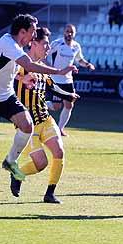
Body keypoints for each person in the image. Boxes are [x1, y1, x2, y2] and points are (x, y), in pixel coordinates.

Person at [0, 14, 76, 192]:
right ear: (22, 32)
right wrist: (59, 70)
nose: (35, 35)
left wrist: (23, 77)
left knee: (27, 125)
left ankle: (10, 161)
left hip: (6, 96)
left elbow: (7, 67)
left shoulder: (15, 47)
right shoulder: (8, 44)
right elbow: (29, 65)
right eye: (33, 31)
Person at [10, 27, 79, 204]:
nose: (48, 48)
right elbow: (6, 76)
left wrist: (67, 95)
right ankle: (17, 175)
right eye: (45, 44)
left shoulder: (42, 67)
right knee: (41, 163)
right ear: (33, 43)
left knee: (59, 152)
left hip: (45, 118)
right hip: (27, 123)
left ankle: (50, 193)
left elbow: (51, 86)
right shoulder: (20, 64)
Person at [48, 23, 95, 136]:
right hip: (56, 79)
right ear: (64, 32)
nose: (69, 34)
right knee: (56, 106)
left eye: (71, 32)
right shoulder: (56, 43)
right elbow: (45, 54)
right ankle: (35, 104)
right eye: (67, 31)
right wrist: (49, 68)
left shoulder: (76, 46)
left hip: (68, 80)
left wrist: (88, 65)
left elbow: (80, 60)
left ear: (74, 34)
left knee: (69, 105)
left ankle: (60, 129)